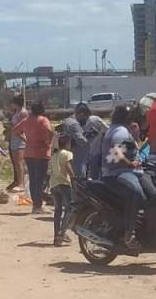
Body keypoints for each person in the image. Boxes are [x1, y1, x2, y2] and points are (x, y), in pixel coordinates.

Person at [101, 105, 145, 248]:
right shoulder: (120, 131)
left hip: (117, 172)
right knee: (137, 192)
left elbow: (130, 148)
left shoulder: (116, 129)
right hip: (117, 173)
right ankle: (129, 232)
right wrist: (130, 164)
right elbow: (116, 153)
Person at [14, 101, 54, 214]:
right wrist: (49, 141)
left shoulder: (26, 120)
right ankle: (38, 205)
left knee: (33, 179)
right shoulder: (43, 120)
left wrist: (25, 140)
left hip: (29, 152)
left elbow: (15, 131)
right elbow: (50, 131)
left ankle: (36, 205)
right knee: (40, 180)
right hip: (41, 152)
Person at [50, 134, 75, 246]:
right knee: (70, 209)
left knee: (57, 211)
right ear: (66, 144)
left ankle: (56, 237)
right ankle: (62, 233)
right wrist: (74, 178)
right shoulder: (67, 153)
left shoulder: (54, 154)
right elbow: (67, 166)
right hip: (64, 183)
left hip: (53, 184)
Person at [61, 103, 93, 178]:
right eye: (86, 117)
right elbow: (81, 142)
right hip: (77, 158)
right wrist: (90, 138)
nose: (86, 119)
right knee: (78, 181)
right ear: (81, 114)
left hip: (68, 156)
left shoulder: (67, 120)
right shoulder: (74, 124)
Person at [5, 95, 28, 193]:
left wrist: (12, 126)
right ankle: (18, 182)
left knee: (19, 163)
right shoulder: (16, 113)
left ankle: (21, 184)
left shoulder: (23, 112)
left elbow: (24, 126)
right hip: (14, 139)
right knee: (16, 163)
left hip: (20, 139)